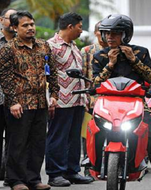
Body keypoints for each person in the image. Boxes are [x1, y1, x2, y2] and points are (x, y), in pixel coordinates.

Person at [92, 14, 151, 190]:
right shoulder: (100, 56)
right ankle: (92, 162)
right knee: (93, 129)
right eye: (106, 33)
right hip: (107, 103)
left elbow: (150, 78)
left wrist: (134, 60)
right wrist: (110, 64)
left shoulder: (141, 52)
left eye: (115, 33)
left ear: (126, 35)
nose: (109, 37)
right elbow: (95, 83)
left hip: (137, 102)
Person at [0, 11, 59, 190]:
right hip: (20, 103)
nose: (30, 28)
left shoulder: (43, 46)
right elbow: (5, 78)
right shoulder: (8, 49)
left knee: (38, 142)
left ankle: (33, 179)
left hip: (41, 102)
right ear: (15, 28)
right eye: (25, 25)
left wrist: (54, 96)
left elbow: (52, 73)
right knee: (17, 143)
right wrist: (13, 102)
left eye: (32, 24)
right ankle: (15, 180)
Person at [45, 12, 93, 187]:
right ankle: (55, 174)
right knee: (58, 137)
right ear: (70, 26)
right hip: (61, 101)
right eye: (80, 27)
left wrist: (85, 97)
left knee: (73, 138)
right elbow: (46, 74)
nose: (82, 30)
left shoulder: (74, 46)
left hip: (78, 99)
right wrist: (51, 98)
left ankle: (72, 171)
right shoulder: (50, 46)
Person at [80, 20, 108, 177]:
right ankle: (89, 166)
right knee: (89, 134)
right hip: (92, 100)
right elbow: (82, 76)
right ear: (97, 33)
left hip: (113, 100)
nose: (107, 35)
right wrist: (85, 98)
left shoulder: (119, 51)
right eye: (103, 31)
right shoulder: (86, 51)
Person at [0, 8, 16, 185]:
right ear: (1, 20)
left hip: (16, 101)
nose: (12, 21)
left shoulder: (24, 43)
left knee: (15, 141)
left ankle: (11, 178)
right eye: (10, 18)